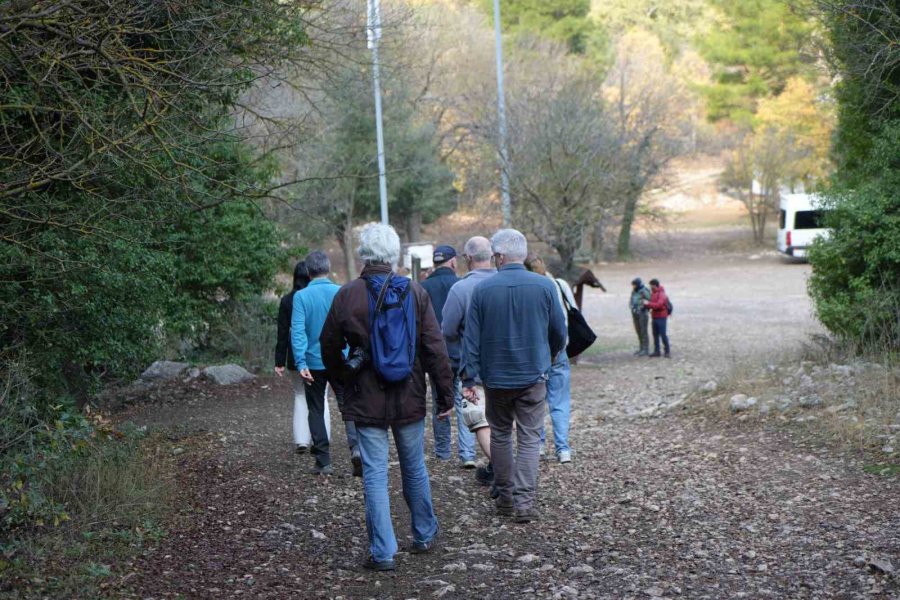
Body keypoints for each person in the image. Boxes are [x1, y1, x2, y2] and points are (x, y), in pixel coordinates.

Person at [320, 223, 455, 571]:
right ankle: (423, 533)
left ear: (364, 253)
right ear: (393, 254)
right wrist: (445, 393)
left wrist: (342, 379)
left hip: (366, 398)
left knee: (376, 474)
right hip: (409, 395)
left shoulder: (347, 295)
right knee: (414, 467)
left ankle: (383, 552)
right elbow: (434, 347)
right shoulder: (415, 292)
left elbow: (328, 345)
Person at [463, 229, 567, 524]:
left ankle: (506, 498)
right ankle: (524, 502)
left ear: (499, 256)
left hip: (495, 378)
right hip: (533, 374)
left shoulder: (482, 291)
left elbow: (471, 339)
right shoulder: (544, 286)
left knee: (500, 434)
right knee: (529, 437)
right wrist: (550, 355)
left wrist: (470, 378)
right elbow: (559, 331)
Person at [291, 251, 360, 476]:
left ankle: (323, 460)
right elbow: (350, 327)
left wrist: (300, 361)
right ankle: (357, 449)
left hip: (313, 362)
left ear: (308, 271)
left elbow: (298, 331)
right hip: (340, 359)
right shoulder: (341, 292)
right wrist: (350, 355)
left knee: (316, 409)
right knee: (347, 404)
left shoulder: (301, 297)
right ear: (328, 268)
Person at [442, 236, 497, 482]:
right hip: (511, 365)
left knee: (479, 418)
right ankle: (505, 468)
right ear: (493, 256)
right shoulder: (504, 282)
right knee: (505, 420)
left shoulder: (461, 289)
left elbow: (448, 330)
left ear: (467, 258)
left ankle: (502, 468)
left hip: (474, 368)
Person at [421, 245, 473, 466]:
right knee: (464, 402)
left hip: (435, 356)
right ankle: (467, 453)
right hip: (461, 354)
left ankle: (443, 452)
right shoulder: (460, 286)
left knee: (440, 402)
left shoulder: (423, 287)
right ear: (453, 262)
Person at [523, 253, 575, 465]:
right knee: (560, 401)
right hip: (560, 349)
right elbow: (572, 313)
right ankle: (563, 449)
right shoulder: (559, 284)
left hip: (535, 352)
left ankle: (540, 446)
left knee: (536, 401)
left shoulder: (527, 289)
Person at [275, 261, 331, 453]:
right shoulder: (315, 296)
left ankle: (301, 440)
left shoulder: (287, 300)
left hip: (294, 356)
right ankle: (322, 439)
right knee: (321, 397)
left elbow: (282, 333)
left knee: (300, 396)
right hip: (317, 355)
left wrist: (279, 361)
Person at [643, 278, 671, 358]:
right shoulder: (653, 294)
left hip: (661, 317)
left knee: (663, 334)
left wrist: (648, 304)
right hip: (655, 316)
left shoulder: (662, 294)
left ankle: (667, 351)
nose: (650, 287)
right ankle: (657, 351)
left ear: (654, 285)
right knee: (655, 335)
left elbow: (658, 305)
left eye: (651, 285)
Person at [630, 277, 651, 357]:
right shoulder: (634, 291)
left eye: (634, 285)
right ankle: (641, 348)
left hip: (642, 313)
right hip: (635, 313)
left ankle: (645, 349)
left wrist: (643, 306)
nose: (633, 287)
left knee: (643, 331)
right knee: (638, 331)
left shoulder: (644, 291)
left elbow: (649, 300)